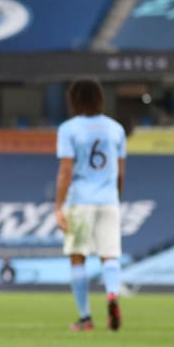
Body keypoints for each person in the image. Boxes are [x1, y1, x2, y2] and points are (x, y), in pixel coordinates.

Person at [55, 79, 127, 332]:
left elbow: (66, 170)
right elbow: (120, 173)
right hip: (109, 200)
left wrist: (58, 206)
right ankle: (112, 295)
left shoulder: (69, 129)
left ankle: (85, 318)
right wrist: (115, 197)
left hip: (81, 200)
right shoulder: (116, 129)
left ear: (74, 100)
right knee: (110, 255)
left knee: (78, 258)